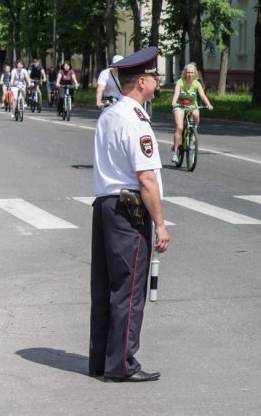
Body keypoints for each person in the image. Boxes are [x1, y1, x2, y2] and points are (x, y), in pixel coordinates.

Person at [90, 46, 169, 382]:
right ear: (141, 82)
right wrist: (160, 224)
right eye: (153, 76)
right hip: (129, 211)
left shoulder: (109, 115)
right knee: (129, 289)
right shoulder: (136, 121)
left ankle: (101, 361)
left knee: (104, 288)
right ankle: (122, 364)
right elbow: (146, 178)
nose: (157, 81)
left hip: (105, 207)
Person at [169, 63, 213, 164]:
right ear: (185, 73)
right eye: (188, 72)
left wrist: (208, 104)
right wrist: (174, 102)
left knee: (196, 114)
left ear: (195, 74)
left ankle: (193, 132)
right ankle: (175, 153)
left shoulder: (197, 84)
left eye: (192, 73)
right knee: (179, 127)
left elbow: (202, 96)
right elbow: (176, 94)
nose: (190, 74)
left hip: (192, 106)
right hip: (180, 106)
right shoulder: (180, 82)